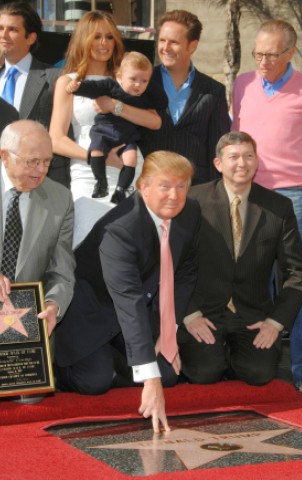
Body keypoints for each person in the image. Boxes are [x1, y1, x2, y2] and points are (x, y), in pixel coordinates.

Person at [54, 150, 201, 433]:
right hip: (93, 309)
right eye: (165, 186)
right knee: (94, 382)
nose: (174, 195)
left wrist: (167, 330)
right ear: (143, 187)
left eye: (181, 186)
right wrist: (149, 379)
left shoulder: (191, 211)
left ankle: (122, 363)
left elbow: (186, 272)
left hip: (137, 308)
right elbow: (128, 300)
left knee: (169, 376)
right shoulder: (120, 229)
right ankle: (69, 364)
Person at [178, 131, 302, 387]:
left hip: (252, 315)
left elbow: (296, 271)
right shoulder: (193, 201)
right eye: (234, 157)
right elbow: (174, 262)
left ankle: (232, 356)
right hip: (203, 311)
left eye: (249, 156)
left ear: (257, 161)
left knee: (258, 374)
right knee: (204, 373)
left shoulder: (278, 207)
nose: (242, 163)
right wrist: (189, 313)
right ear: (218, 163)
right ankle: (217, 357)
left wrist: (275, 322)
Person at [232, 19, 302, 394]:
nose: (262, 61)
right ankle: (255, 360)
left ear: (290, 53)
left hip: (293, 198)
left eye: (271, 54)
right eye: (258, 53)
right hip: (246, 194)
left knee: (296, 285)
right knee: (251, 279)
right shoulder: (243, 84)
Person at [49, 11, 164, 222]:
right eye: (96, 36)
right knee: (88, 238)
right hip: (88, 172)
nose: (104, 43)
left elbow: (155, 121)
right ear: (83, 39)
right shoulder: (68, 82)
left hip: (129, 168)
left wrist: (114, 106)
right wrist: (96, 158)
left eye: (110, 37)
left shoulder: (128, 78)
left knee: (132, 243)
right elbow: (55, 139)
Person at [0, 119, 75, 337]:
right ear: (5, 156)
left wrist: (54, 306)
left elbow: (61, 270)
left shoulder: (60, 199)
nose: (41, 170)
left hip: (25, 330)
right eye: (32, 162)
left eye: (47, 162)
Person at [139, 9, 230, 185]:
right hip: (149, 187)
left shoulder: (214, 91)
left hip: (195, 189)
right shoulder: (142, 83)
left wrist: (213, 194)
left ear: (192, 46)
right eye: (162, 40)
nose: (165, 48)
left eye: (174, 42)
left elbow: (218, 149)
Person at [67, 51, 167, 202]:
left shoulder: (144, 98)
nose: (137, 84)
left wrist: (147, 81)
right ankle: (101, 183)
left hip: (126, 138)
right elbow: (94, 87)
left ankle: (121, 190)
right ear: (120, 76)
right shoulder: (111, 86)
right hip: (104, 132)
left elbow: (162, 103)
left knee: (131, 158)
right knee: (96, 152)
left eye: (143, 81)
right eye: (133, 79)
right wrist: (78, 87)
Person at [0, 2, 69, 187]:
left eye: (12, 29)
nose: (3, 35)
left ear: (30, 37)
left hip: (40, 187)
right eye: (0, 28)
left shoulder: (56, 78)